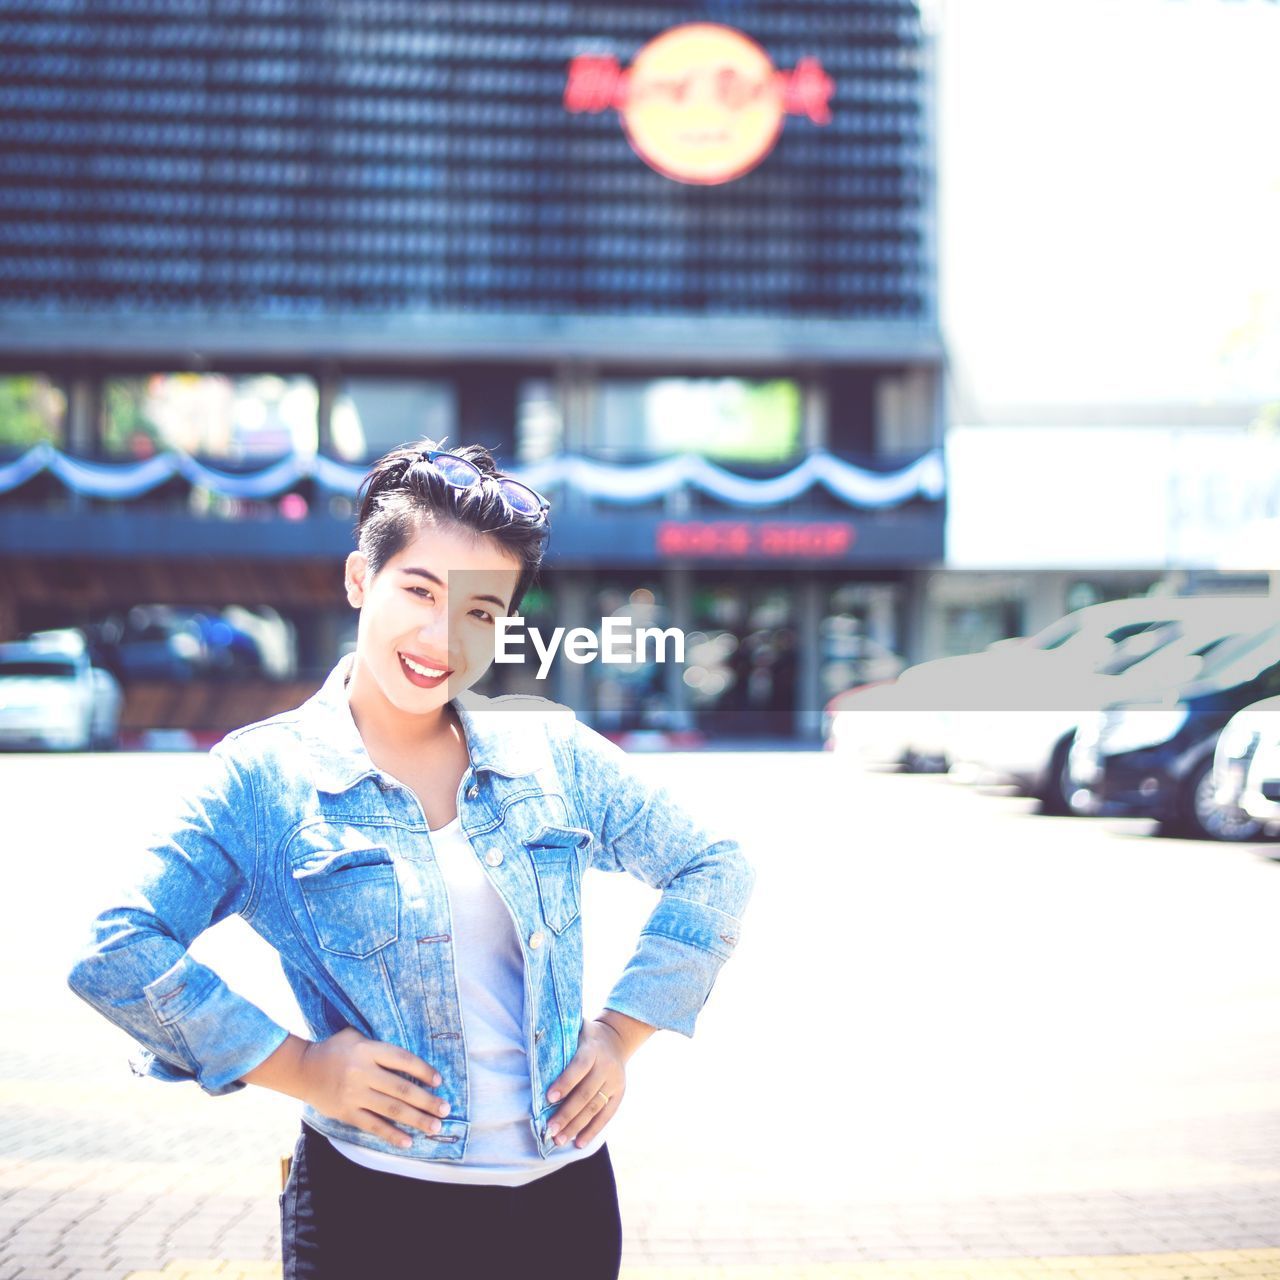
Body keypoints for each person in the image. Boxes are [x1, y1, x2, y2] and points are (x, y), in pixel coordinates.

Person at [66, 438, 757, 1279]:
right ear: (361, 580)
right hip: (371, 1208)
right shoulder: (265, 778)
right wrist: (302, 1068)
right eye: (420, 590)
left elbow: (714, 864)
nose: (443, 637)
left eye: (481, 612)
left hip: (563, 1204)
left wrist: (619, 1034)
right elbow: (119, 948)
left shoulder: (550, 752)